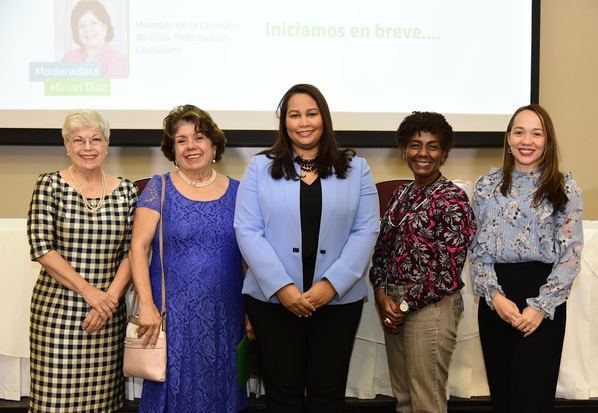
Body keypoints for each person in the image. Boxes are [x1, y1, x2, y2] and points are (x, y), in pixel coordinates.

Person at [234, 83, 380, 413]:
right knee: (281, 397)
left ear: (324, 119)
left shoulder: (357, 169)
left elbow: (366, 228)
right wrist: (282, 288)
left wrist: (332, 285)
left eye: (311, 114)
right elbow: (248, 230)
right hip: (274, 302)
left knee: (327, 398)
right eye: (294, 115)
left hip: (337, 302)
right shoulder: (260, 167)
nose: (304, 122)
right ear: (284, 122)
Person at [129, 104, 245, 412]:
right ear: (172, 149)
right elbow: (138, 248)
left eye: (199, 137)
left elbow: (249, 256)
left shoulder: (239, 192)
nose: (191, 146)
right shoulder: (160, 188)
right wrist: (146, 305)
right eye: (181, 140)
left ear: (214, 145)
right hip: (172, 316)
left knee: (222, 391)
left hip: (226, 314)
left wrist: (252, 312)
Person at [470, 104, 583, 412]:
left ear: (547, 141)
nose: (526, 141)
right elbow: (477, 249)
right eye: (519, 132)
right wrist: (495, 298)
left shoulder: (564, 187)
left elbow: (570, 256)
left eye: (536, 133)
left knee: (532, 400)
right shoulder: (486, 186)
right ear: (508, 139)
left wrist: (539, 307)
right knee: (503, 398)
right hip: (497, 300)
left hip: (543, 300)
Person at [27, 110, 137, 412]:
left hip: (107, 315)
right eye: (79, 140)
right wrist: (91, 294)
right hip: (58, 315)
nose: (88, 147)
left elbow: (133, 252)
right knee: (54, 402)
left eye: (95, 139)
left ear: (106, 143)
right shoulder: (49, 185)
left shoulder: (126, 191)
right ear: (66, 144)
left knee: (101, 404)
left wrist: (109, 301)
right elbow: (41, 248)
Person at [369, 111, 476, 413]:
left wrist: (403, 307)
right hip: (393, 304)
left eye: (433, 146)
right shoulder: (400, 195)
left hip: (431, 307)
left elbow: (447, 272)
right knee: (404, 401)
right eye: (415, 144)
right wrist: (380, 293)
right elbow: (382, 252)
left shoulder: (453, 199)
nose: (423, 153)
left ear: (444, 153)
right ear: (404, 149)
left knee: (426, 401)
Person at [62, 0, 128, 78]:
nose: (88, 29)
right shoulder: (69, 57)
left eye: (93, 23)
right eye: (82, 25)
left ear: (104, 27)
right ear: (77, 32)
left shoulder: (117, 60)